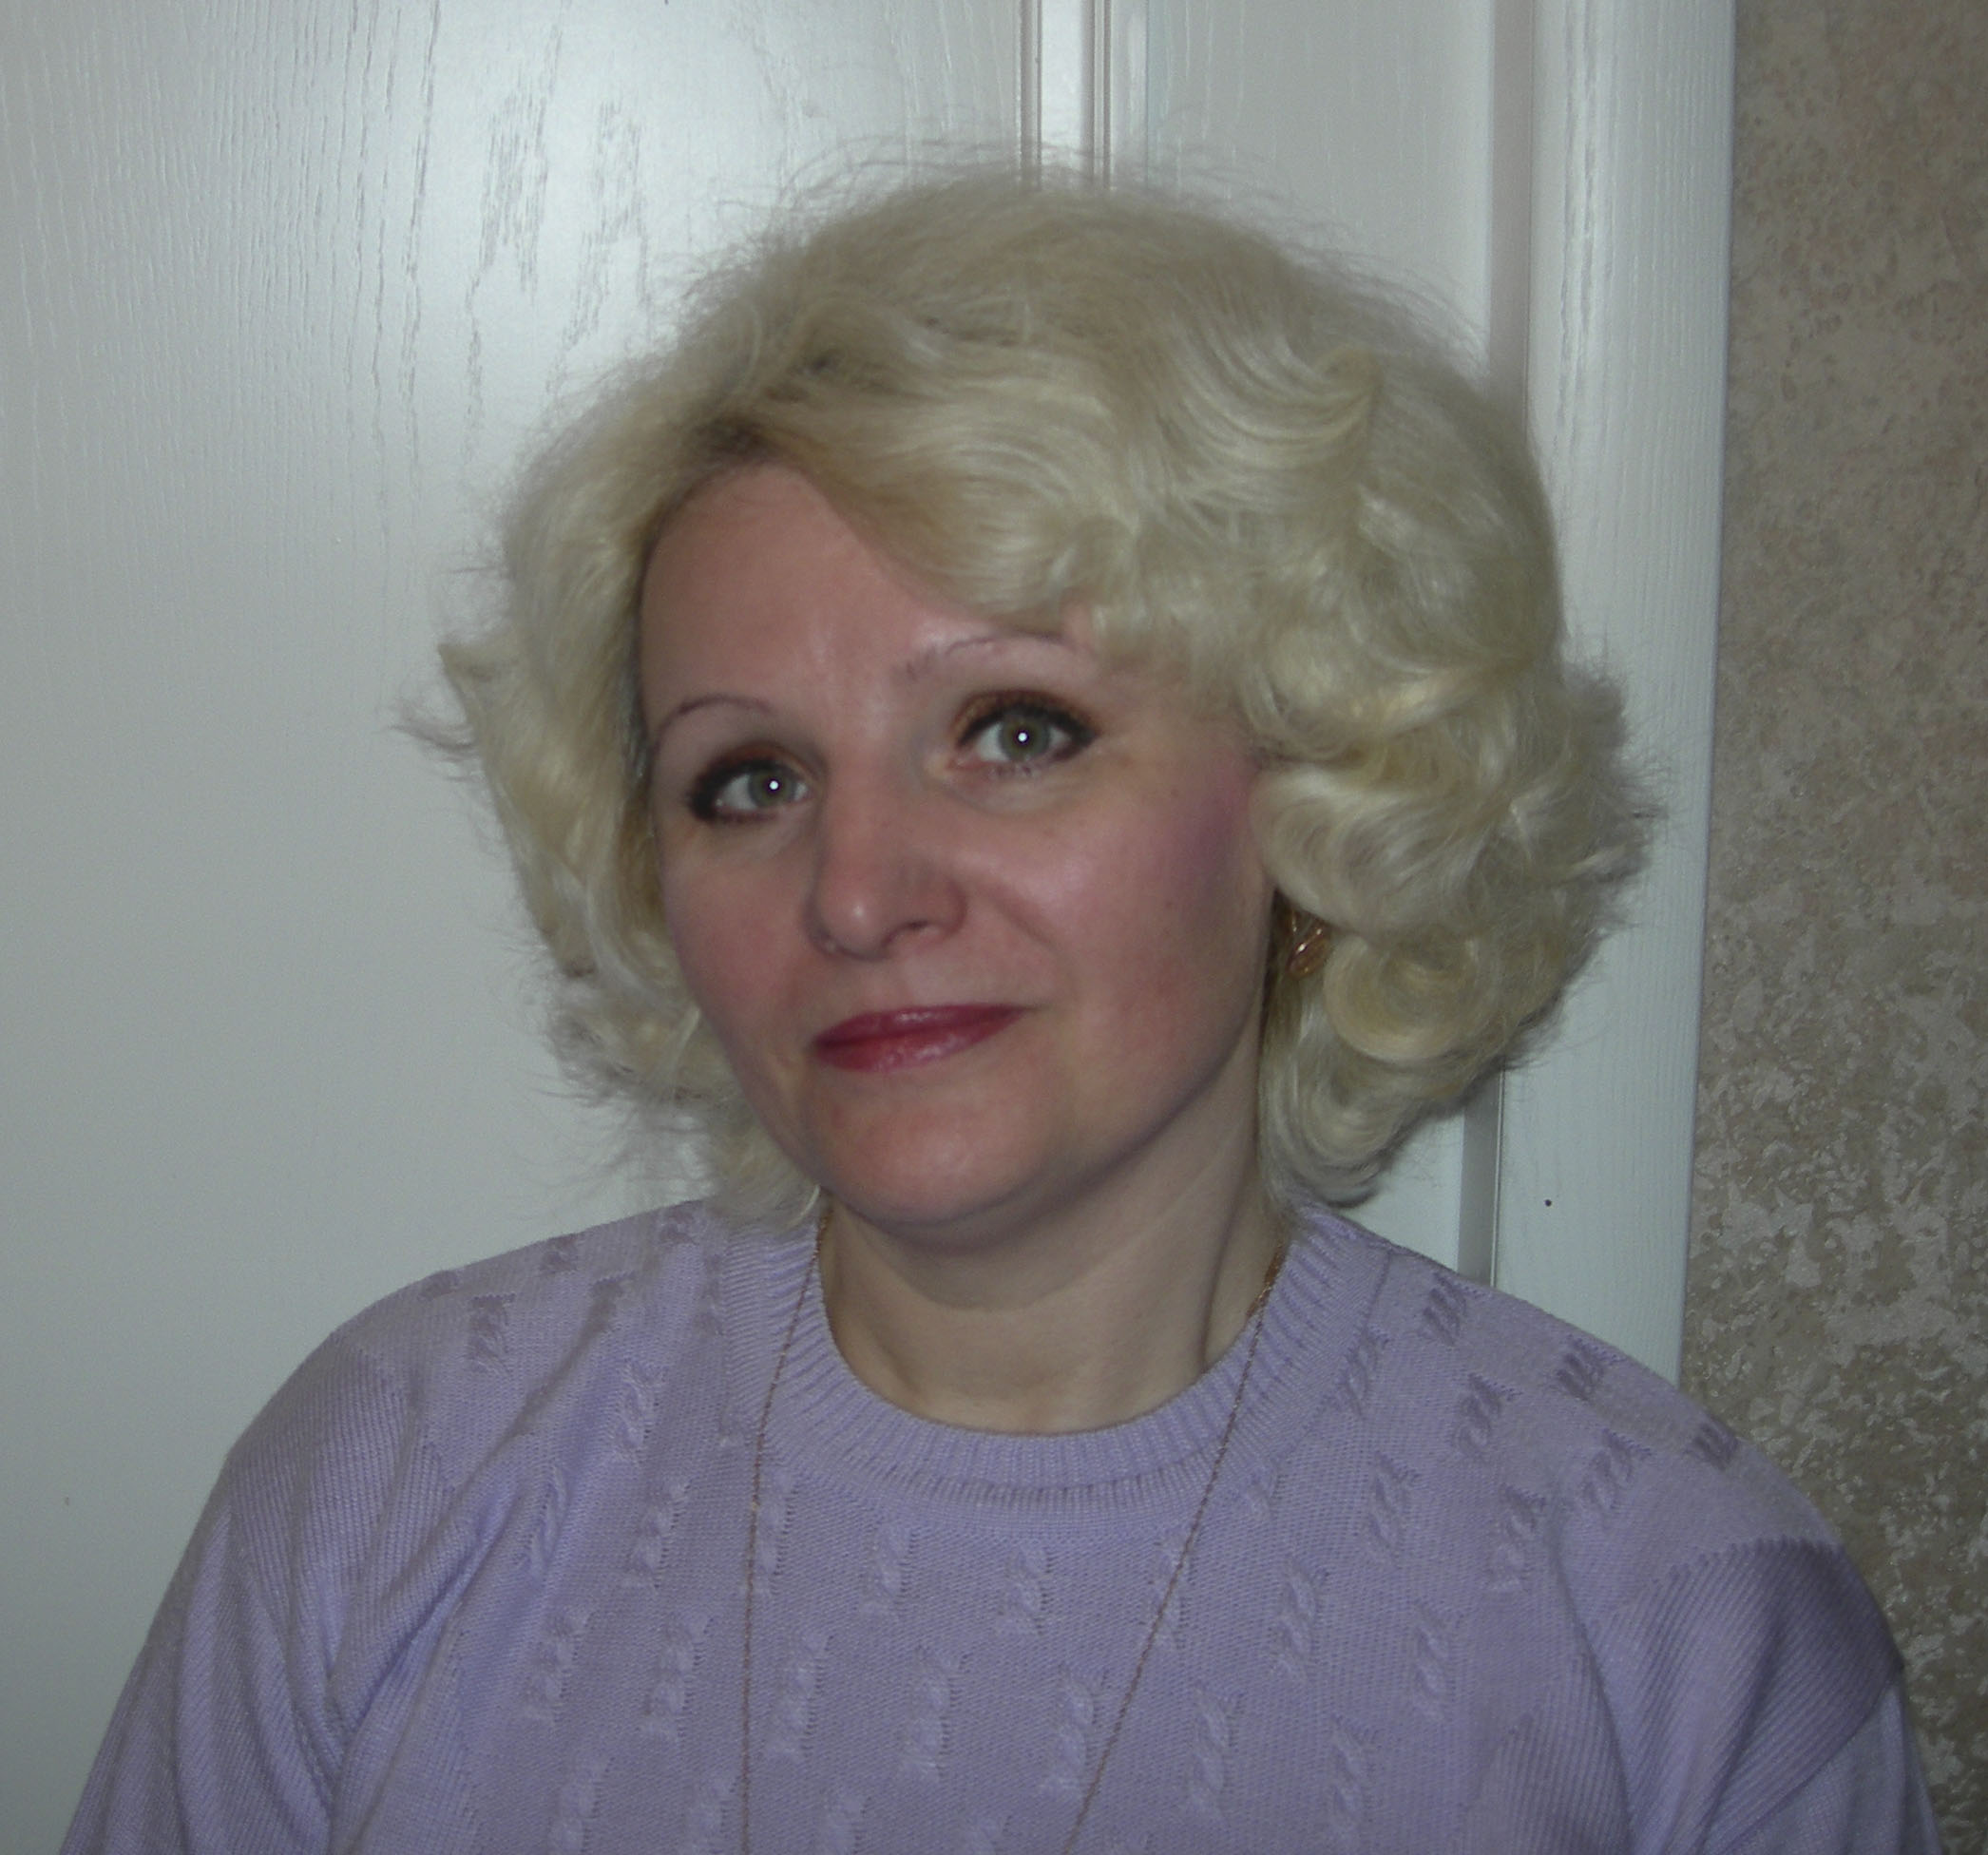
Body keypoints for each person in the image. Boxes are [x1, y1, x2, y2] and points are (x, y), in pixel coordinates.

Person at [62, 172, 1940, 1853]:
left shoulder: (1672, 1621)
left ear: (1318, 801)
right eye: (748, 779)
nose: (855, 892)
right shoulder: (402, 1466)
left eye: (1016, 731)